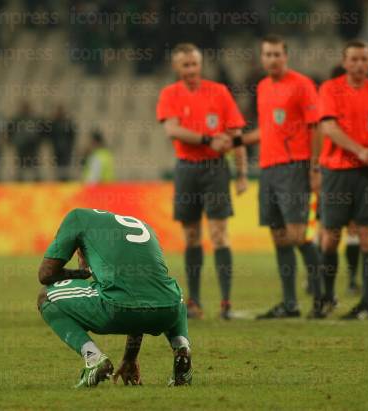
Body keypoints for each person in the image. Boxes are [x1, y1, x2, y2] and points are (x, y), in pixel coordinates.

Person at [36, 208, 192, 387]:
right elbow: (139, 296)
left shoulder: (77, 217)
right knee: (171, 293)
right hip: (168, 313)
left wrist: (82, 273)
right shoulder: (143, 225)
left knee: (45, 296)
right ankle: (182, 348)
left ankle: (94, 359)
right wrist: (130, 358)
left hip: (117, 311)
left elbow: (45, 274)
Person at [156, 43, 247, 320]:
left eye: (195, 64)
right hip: (186, 169)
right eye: (186, 65)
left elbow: (237, 133)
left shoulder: (218, 92)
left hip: (216, 169)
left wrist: (242, 172)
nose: (192, 69)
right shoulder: (170, 94)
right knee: (192, 235)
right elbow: (172, 129)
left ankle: (226, 302)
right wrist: (208, 139)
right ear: (177, 68)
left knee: (219, 234)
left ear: (201, 64)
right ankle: (194, 301)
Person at [238, 35, 323, 319]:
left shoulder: (302, 85)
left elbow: (316, 127)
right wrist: (238, 141)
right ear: (262, 58)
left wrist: (314, 168)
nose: (272, 59)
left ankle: (323, 297)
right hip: (268, 168)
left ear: (286, 56)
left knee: (298, 235)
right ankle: (290, 304)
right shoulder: (262, 87)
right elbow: (266, 130)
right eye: (268, 54)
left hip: (294, 166)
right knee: (279, 237)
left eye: (277, 54)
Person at [317, 40, 368, 320]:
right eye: (354, 59)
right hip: (337, 171)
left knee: (367, 236)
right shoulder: (330, 89)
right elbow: (328, 127)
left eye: (364, 59)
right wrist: (360, 150)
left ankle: (366, 303)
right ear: (344, 61)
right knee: (330, 237)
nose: (360, 64)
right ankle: (327, 297)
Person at [8, 100, 43, 181]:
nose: (25, 110)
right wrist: (12, 141)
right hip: (21, 145)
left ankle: (36, 179)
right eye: (24, 108)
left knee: (34, 162)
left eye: (27, 108)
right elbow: (10, 130)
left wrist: (37, 141)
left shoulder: (34, 119)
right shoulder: (17, 119)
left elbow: (40, 131)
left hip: (32, 145)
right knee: (21, 163)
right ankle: (19, 178)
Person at [48, 104, 77, 181]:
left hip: (66, 150)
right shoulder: (54, 123)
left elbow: (72, 135)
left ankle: (65, 181)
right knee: (57, 169)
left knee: (65, 168)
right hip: (56, 150)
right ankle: (59, 181)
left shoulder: (67, 123)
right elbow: (49, 135)